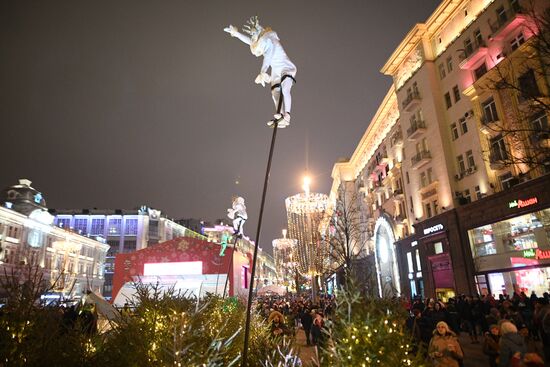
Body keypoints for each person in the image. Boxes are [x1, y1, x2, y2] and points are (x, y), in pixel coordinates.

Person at [224, 16, 297, 128]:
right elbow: (250, 42)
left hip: (286, 67)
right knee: (275, 92)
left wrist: (262, 72)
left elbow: (267, 59)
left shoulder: (269, 41)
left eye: (254, 34)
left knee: (285, 89)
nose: (252, 37)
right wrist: (236, 34)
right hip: (276, 70)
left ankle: (287, 115)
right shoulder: (262, 41)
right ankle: (281, 115)